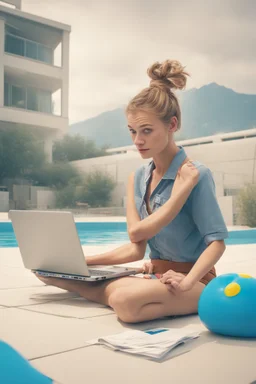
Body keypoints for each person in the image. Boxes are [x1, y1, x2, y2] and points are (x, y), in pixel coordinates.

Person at [36, 59, 228, 323]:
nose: (138, 141)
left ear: (171, 126)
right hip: (154, 275)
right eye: (133, 131)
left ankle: (81, 288)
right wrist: (79, 264)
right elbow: (136, 248)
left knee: (125, 302)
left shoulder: (196, 175)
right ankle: (91, 284)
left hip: (194, 280)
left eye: (147, 131)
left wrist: (187, 281)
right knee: (121, 294)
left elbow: (216, 244)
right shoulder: (138, 177)